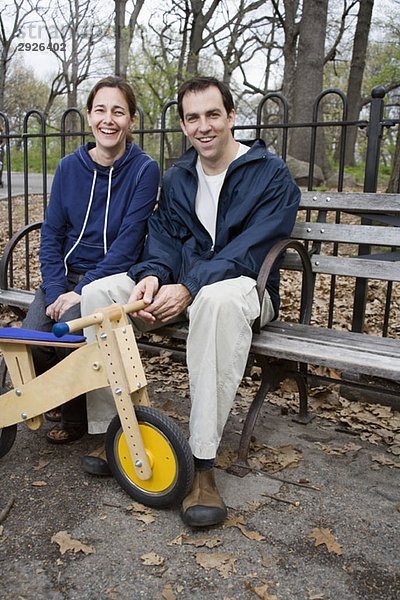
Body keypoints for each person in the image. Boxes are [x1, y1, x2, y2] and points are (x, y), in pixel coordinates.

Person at [80, 76, 300, 527]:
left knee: (215, 301)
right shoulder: (179, 177)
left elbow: (251, 251)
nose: (204, 126)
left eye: (213, 114)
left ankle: (202, 467)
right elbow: (162, 239)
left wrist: (189, 287)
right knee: (99, 293)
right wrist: (153, 278)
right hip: (184, 287)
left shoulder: (270, 174)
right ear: (183, 125)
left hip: (247, 291)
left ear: (231, 116)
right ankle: (113, 431)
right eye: (193, 117)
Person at [22, 75, 160, 443]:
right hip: (63, 278)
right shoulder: (69, 167)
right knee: (31, 342)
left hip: (107, 279)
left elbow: (128, 245)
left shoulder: (144, 170)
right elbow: (51, 234)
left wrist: (79, 292)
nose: (108, 119)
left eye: (118, 111)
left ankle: (75, 419)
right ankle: (63, 397)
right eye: (100, 110)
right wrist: (55, 289)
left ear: (131, 119)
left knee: (67, 335)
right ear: (88, 115)